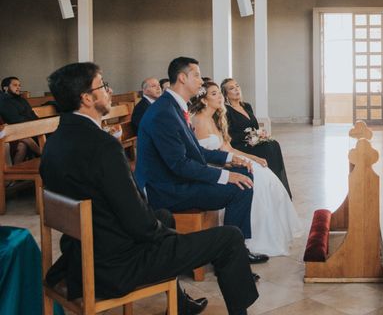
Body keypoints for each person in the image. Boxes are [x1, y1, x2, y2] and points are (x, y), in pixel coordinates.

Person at [40, 62, 258, 315]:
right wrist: (173, 241)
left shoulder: (54, 144)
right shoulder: (104, 147)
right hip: (117, 265)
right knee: (228, 237)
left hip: (82, 255)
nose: (109, 91)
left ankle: (180, 304)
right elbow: (138, 223)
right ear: (87, 98)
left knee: (163, 216)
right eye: (103, 85)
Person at [135, 57, 269, 264]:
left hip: (175, 179)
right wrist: (225, 176)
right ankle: (231, 255)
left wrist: (231, 158)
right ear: (182, 78)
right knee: (240, 188)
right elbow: (180, 165)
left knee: (244, 174)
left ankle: (236, 246)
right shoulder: (164, 113)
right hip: (166, 188)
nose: (200, 81)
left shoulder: (174, 106)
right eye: (196, 75)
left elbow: (195, 151)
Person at [192, 82, 301, 256]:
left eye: (219, 93)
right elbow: (200, 157)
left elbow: (229, 149)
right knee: (258, 182)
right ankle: (250, 240)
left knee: (266, 174)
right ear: (204, 100)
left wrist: (254, 158)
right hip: (216, 168)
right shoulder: (198, 121)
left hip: (228, 160)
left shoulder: (215, 119)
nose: (220, 96)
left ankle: (269, 233)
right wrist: (232, 164)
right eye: (214, 94)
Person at [221, 78, 292, 198]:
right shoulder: (226, 111)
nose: (236, 89)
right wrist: (249, 137)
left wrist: (259, 134)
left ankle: (278, 184)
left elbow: (254, 127)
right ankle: (270, 188)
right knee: (267, 148)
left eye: (237, 86)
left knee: (274, 144)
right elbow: (230, 135)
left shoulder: (247, 106)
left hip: (253, 141)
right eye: (231, 88)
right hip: (240, 145)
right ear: (226, 94)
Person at [0, 76, 41, 164]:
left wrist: (38, 123)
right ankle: (43, 155)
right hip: (14, 129)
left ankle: (15, 175)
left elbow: (32, 114)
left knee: (23, 144)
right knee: (24, 140)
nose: (18, 87)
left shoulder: (21, 99)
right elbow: (15, 120)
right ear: (5, 88)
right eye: (15, 85)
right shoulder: (3, 101)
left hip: (27, 127)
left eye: (19, 85)